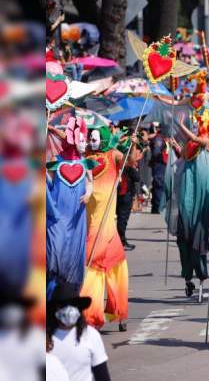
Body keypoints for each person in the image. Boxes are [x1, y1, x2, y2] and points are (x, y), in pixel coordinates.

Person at [80, 126, 129, 331]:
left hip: (107, 225)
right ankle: (95, 314)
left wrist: (132, 144)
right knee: (98, 269)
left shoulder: (112, 155)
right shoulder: (85, 158)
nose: (92, 141)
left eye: (95, 138)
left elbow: (130, 159)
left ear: (104, 139)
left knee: (108, 269)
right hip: (90, 224)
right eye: (90, 138)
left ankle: (110, 313)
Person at [47, 117, 94, 295]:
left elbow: (90, 182)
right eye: (82, 139)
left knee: (73, 251)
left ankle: (69, 291)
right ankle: (51, 288)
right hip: (57, 215)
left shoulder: (85, 162)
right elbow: (47, 182)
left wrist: (88, 193)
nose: (85, 143)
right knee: (55, 251)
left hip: (76, 215)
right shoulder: (56, 160)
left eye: (86, 139)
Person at [174, 110, 209, 301]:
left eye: (202, 122)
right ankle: (188, 277)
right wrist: (176, 147)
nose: (199, 124)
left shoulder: (208, 142)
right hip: (186, 195)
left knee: (198, 238)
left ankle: (201, 276)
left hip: (200, 198)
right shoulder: (190, 144)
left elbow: (199, 141)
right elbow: (183, 156)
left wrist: (181, 128)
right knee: (184, 238)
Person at [47, 283, 111, 381]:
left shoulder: (90, 335)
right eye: (63, 305)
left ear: (79, 308)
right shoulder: (45, 339)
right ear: (55, 309)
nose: (68, 310)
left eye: (73, 304)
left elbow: (102, 376)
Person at [149, 124, 167, 214]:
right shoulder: (159, 138)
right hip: (159, 163)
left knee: (158, 184)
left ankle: (157, 206)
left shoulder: (161, 137)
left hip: (161, 164)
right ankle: (157, 206)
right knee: (158, 184)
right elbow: (156, 152)